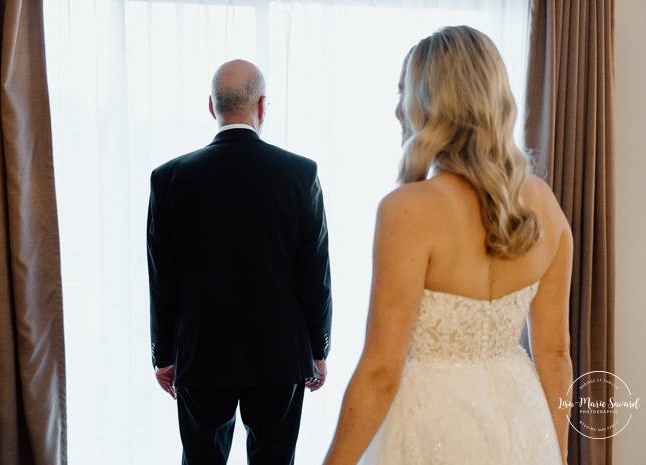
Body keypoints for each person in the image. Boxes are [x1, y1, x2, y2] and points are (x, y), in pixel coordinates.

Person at [323, 26, 572, 465]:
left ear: (429, 103)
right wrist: (557, 452)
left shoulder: (407, 210)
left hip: (434, 425)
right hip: (521, 423)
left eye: (403, 92)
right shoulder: (545, 206)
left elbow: (381, 371)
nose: (397, 109)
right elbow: (555, 355)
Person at [147, 59, 332, 465]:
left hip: (200, 352)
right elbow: (314, 271)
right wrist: (317, 347)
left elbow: (163, 278)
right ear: (262, 106)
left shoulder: (169, 178)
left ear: (212, 108)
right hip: (279, 353)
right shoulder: (300, 174)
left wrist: (164, 354)